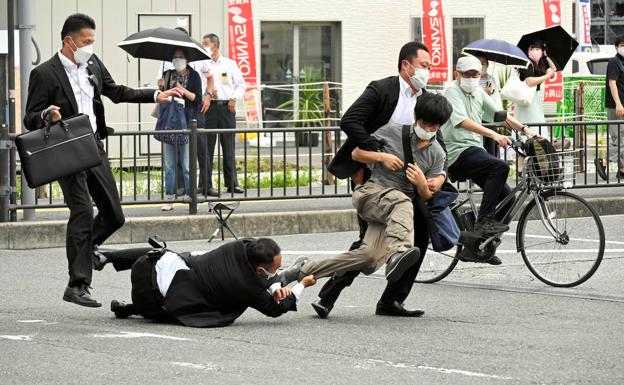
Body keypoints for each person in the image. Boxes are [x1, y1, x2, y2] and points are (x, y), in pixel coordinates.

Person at [23, 13, 181, 307]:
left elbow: (116, 92)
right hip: (66, 148)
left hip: (93, 146)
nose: (90, 47)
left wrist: (155, 94)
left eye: (93, 41)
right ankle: (78, 284)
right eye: (86, 41)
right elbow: (29, 117)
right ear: (69, 41)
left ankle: (87, 250)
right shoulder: (45, 74)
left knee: (114, 214)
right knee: (82, 211)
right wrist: (47, 115)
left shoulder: (93, 65)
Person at [279, 94, 451, 320]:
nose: (428, 128)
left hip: (394, 212)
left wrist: (421, 183)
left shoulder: (437, 153)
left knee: (367, 256)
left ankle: (302, 269)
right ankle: (399, 252)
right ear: (415, 117)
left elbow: (427, 194)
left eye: (434, 125)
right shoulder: (393, 131)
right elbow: (356, 153)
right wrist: (382, 157)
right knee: (402, 201)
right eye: (424, 123)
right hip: (371, 194)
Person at [319, 42, 446, 319]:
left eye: (429, 67)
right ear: (406, 65)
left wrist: (440, 176)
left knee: (420, 238)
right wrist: (376, 150)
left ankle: (392, 300)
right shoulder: (382, 89)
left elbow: (439, 140)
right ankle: (328, 296)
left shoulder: (426, 98)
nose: (427, 71)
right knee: (368, 241)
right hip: (377, 178)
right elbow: (350, 120)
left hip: (412, 183)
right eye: (424, 65)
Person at [99, 239, 315, 327]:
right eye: (276, 269)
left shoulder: (240, 246)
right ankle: (131, 308)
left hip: (145, 266)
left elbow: (259, 265)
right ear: (259, 270)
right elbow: (275, 311)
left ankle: (108, 257)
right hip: (152, 302)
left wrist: (275, 284)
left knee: (166, 254)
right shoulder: (247, 286)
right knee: (186, 304)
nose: (277, 270)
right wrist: (302, 285)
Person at [441, 55, 537, 242]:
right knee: (500, 166)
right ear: (456, 74)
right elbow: (462, 121)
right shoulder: (451, 90)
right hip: (457, 153)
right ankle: (484, 222)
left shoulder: (478, 92)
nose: (471, 78)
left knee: (508, 198)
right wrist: (493, 134)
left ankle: (481, 244)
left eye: (475, 74)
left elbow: (500, 115)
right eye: (467, 74)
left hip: (475, 152)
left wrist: (527, 131)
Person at [199, 33, 246, 196]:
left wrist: (233, 98)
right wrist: (208, 92)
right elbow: (198, 85)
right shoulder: (201, 64)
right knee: (207, 147)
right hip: (208, 108)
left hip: (227, 107)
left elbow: (241, 85)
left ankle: (232, 183)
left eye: (206, 43)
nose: (203, 46)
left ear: (215, 46)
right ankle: (205, 184)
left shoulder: (229, 64)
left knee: (229, 146)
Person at [156, 49, 203, 211]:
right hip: (169, 122)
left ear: (187, 60)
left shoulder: (194, 75)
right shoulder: (167, 74)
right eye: (175, 57)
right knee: (169, 164)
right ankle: (169, 199)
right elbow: (163, 98)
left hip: (188, 123)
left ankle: (191, 197)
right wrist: (161, 89)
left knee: (187, 163)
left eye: (181, 57)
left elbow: (197, 99)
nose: (178, 60)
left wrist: (181, 89)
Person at [596, 34, 624, 180]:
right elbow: (612, 83)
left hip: (621, 105)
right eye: (622, 45)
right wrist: (618, 103)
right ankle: (604, 161)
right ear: (617, 47)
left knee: (621, 137)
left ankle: (622, 169)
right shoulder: (615, 62)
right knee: (619, 137)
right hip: (616, 106)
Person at [516, 40, 556, 139]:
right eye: (531, 49)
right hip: (527, 99)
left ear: (542, 51)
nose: (534, 51)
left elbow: (553, 68)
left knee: (537, 123)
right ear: (528, 51)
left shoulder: (540, 64)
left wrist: (545, 56)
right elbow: (530, 82)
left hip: (535, 98)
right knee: (530, 125)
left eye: (537, 49)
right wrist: (547, 76)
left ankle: (537, 148)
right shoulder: (527, 63)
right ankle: (527, 147)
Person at [476, 54, 503, 158]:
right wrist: (484, 92)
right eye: (479, 63)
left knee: (491, 148)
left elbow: (497, 99)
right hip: (477, 119)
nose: (482, 66)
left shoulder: (491, 79)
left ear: (487, 65)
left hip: (490, 118)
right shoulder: (472, 79)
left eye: (484, 63)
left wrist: (499, 118)